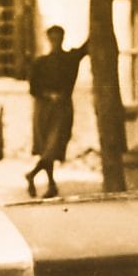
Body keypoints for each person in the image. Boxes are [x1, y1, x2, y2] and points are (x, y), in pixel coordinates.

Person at [25, 25, 89, 198]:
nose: (56, 42)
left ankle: (32, 174)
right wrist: (48, 94)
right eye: (53, 38)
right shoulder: (40, 63)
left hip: (63, 108)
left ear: (63, 39)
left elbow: (87, 47)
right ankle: (51, 185)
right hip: (44, 108)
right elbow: (33, 88)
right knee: (48, 147)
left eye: (59, 38)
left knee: (54, 145)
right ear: (48, 39)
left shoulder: (70, 58)